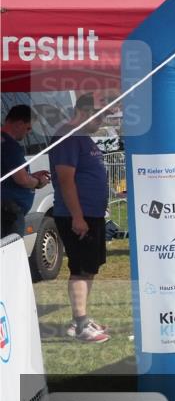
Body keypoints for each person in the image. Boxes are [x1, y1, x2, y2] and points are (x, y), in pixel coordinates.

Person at [50, 95, 110, 343]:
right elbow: (66, 179)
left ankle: (81, 320)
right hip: (79, 215)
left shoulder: (81, 137)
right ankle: (81, 323)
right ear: (84, 111)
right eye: (101, 114)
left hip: (90, 214)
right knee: (81, 269)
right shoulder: (68, 136)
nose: (103, 120)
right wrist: (77, 216)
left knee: (88, 268)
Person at [1, 105, 51, 238]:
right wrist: (38, 181)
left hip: (7, 209)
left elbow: (9, 175)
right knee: (11, 252)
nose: (28, 132)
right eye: (28, 128)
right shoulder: (9, 145)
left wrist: (30, 176)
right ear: (19, 124)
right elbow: (22, 180)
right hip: (9, 213)